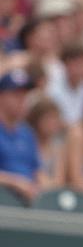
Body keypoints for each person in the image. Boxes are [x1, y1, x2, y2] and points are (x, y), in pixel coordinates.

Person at [0, 68, 40, 202]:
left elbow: (37, 171)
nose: (22, 100)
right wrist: (16, 182)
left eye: (25, 95)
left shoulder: (27, 133)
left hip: (27, 203)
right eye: (16, 94)